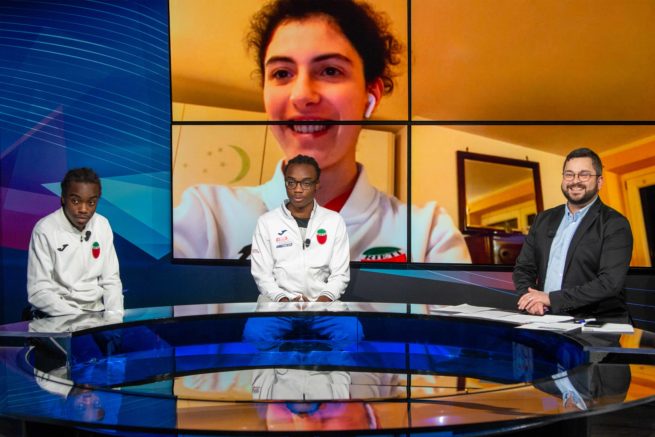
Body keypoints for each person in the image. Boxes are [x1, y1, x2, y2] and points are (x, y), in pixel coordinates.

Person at [173, 0, 471, 263]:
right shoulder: (206, 217)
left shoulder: (427, 235)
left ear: (371, 95)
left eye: (330, 70)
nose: (302, 95)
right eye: (282, 73)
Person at [514, 148, 633, 321]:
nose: (575, 181)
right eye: (569, 174)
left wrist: (551, 299)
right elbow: (524, 268)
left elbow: (609, 283)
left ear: (599, 181)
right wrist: (531, 299)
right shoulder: (543, 219)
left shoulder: (615, 223)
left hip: (596, 323)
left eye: (584, 175)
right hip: (546, 319)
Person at [27, 168, 123, 317]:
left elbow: (111, 281)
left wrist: (114, 318)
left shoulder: (102, 225)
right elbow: (39, 292)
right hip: (57, 315)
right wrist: (79, 319)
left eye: (91, 202)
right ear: (63, 198)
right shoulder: (45, 229)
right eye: (76, 201)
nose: (84, 209)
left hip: (96, 314)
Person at [251, 154, 349, 302]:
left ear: (317, 184)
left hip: (322, 304)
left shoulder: (334, 221)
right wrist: (285, 302)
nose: (297, 189)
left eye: (306, 183)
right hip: (276, 304)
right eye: (291, 182)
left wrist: (319, 304)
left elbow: (340, 275)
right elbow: (262, 275)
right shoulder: (267, 222)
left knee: (347, 318)